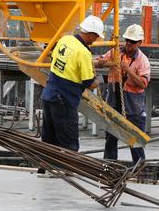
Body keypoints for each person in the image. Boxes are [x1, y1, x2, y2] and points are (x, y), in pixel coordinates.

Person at [40, 15, 103, 154]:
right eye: (97, 36)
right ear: (92, 35)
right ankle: (68, 170)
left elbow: (59, 60)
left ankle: (45, 168)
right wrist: (100, 78)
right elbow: (90, 83)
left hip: (48, 94)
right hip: (64, 100)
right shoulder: (84, 52)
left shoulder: (65, 39)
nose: (96, 40)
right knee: (69, 141)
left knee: (49, 137)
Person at [95, 24, 151, 164]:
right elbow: (99, 61)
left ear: (139, 43)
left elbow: (143, 83)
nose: (128, 44)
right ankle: (109, 165)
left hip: (133, 104)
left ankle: (139, 168)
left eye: (132, 42)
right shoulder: (116, 53)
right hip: (114, 99)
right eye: (127, 40)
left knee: (135, 139)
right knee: (111, 136)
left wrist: (129, 70)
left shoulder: (142, 61)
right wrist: (105, 63)